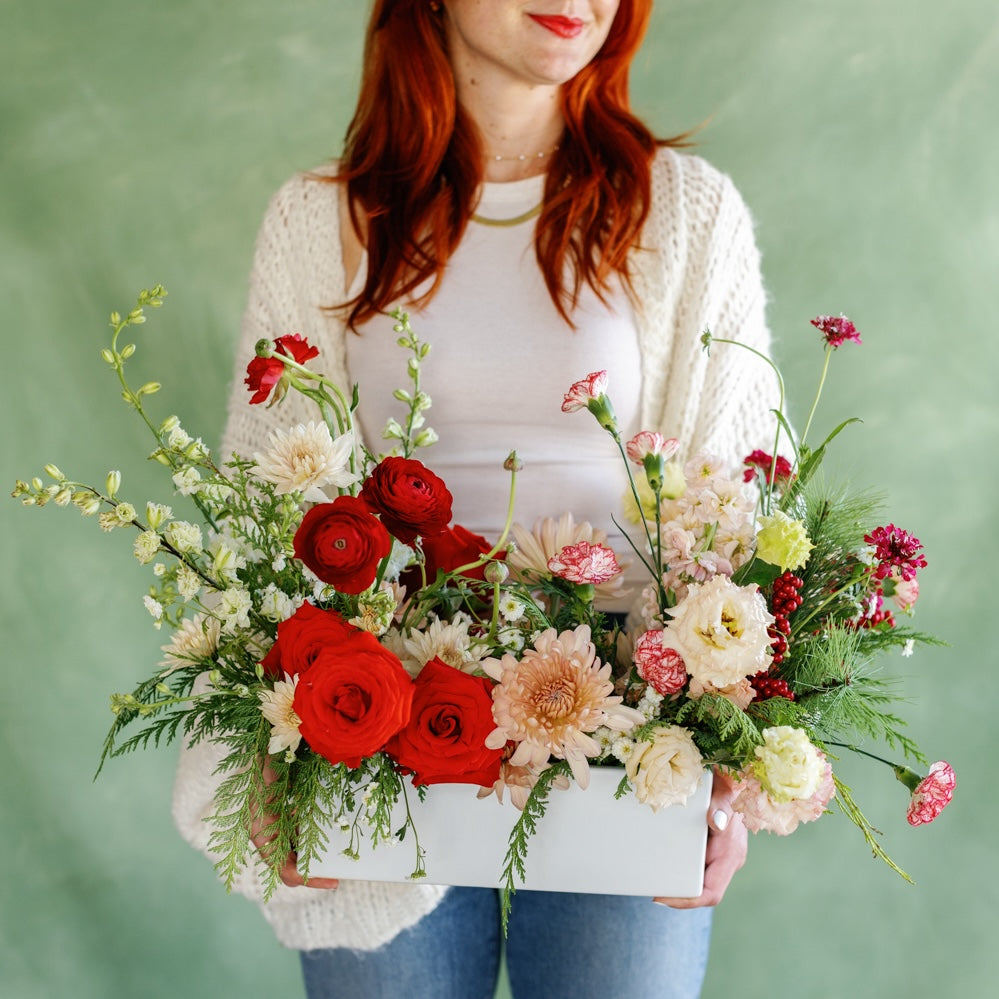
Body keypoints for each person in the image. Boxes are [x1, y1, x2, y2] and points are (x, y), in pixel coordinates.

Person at [173, 1, 780, 996]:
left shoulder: (683, 210)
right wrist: (271, 748)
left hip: (624, 745)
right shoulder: (322, 219)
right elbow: (273, 509)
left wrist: (725, 772)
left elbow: (735, 503)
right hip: (376, 739)